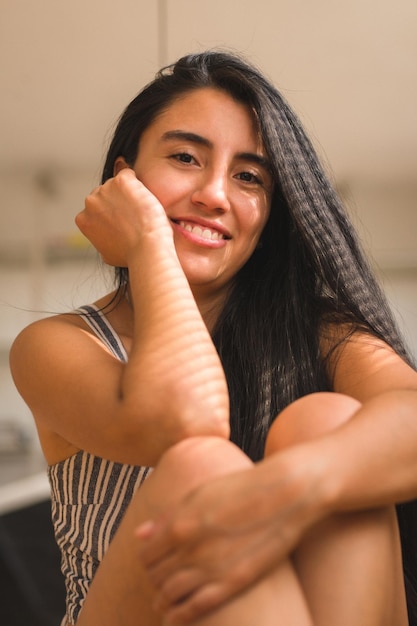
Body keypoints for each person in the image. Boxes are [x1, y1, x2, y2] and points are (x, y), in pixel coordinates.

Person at [9, 50, 417, 626]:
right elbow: (186, 421)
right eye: (184, 157)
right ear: (124, 180)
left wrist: (288, 491)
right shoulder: (57, 345)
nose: (214, 194)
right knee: (200, 466)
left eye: (248, 176)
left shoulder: (319, 331)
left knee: (325, 423)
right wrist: (150, 240)